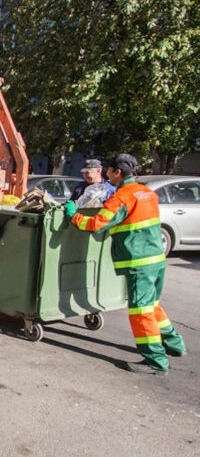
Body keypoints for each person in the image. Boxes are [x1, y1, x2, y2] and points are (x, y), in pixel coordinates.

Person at [64, 154, 185, 374]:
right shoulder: (147, 193)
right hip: (156, 258)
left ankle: (155, 361)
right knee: (152, 304)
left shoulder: (121, 198)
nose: (107, 174)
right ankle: (174, 344)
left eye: (109, 170)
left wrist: (74, 215)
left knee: (141, 310)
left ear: (117, 172)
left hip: (138, 261)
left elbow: (96, 225)